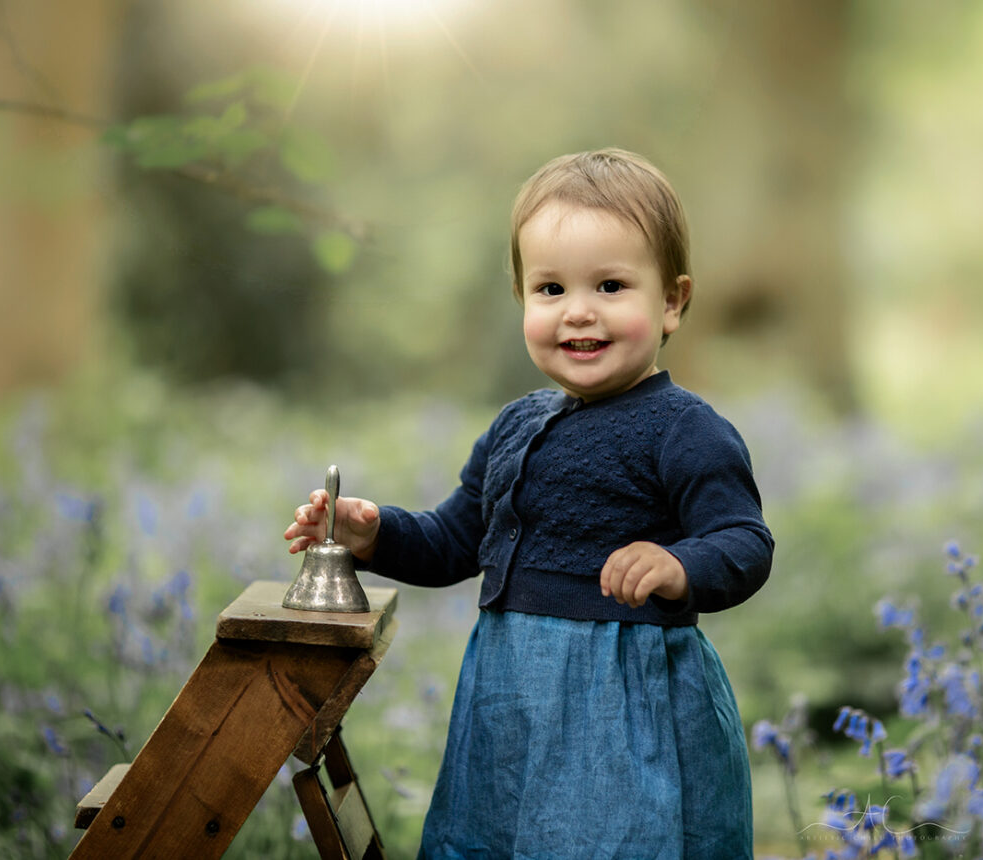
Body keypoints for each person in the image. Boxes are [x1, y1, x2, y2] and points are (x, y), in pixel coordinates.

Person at [284, 148, 773, 858]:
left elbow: (744, 542)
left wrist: (678, 563)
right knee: (498, 836)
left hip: (622, 707)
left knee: (613, 840)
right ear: (522, 299)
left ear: (670, 300)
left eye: (610, 286)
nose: (578, 312)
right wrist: (373, 533)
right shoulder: (516, 425)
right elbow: (455, 542)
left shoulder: (685, 431)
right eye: (550, 289)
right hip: (509, 704)